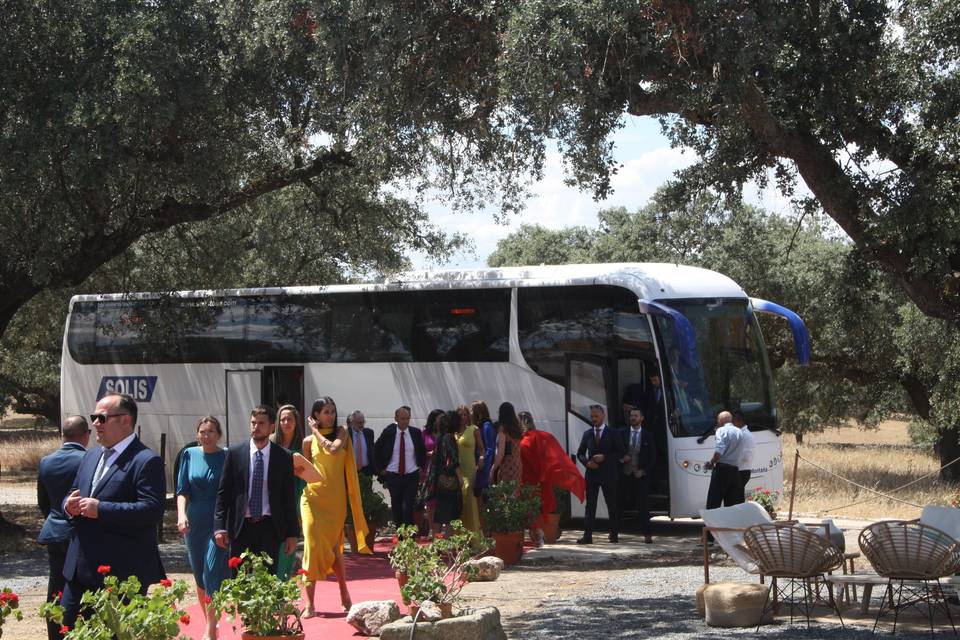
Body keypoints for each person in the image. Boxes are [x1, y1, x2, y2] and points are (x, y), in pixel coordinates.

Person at [61, 393, 166, 630]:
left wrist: (102, 509)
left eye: (102, 418)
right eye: (94, 417)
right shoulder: (90, 455)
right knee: (67, 629)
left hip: (119, 573)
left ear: (125, 420)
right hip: (78, 570)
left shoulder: (146, 460)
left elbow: (151, 509)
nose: (95, 423)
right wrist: (69, 504)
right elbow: (72, 493)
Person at [301, 397, 370, 617]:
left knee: (334, 549)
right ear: (316, 414)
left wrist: (315, 431)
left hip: (335, 501)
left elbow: (332, 449)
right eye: (325, 412)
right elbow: (305, 470)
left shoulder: (342, 431)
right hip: (312, 498)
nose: (329, 415)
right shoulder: (306, 442)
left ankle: (344, 592)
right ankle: (310, 603)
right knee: (311, 545)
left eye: (332, 411)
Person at [213, 405, 298, 575]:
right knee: (240, 582)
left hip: (270, 527)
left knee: (267, 581)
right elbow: (223, 493)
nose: (256, 427)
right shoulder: (235, 453)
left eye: (261, 423)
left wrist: (292, 534)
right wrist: (219, 527)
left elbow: (288, 497)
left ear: (272, 426)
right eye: (253, 423)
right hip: (241, 527)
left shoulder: (283, 457)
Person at [37, 415, 89, 640]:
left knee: (56, 589)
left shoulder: (46, 461)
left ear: (62, 435)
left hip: (54, 531)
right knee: (81, 590)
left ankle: (55, 635)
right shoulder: (88, 459)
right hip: (80, 534)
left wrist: (56, 518)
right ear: (86, 435)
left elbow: (43, 502)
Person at [177, 416, 228, 640]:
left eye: (210, 432)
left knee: (212, 572)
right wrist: (181, 515)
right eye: (202, 432)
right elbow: (182, 490)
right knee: (199, 576)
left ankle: (210, 629)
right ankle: (210, 623)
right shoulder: (189, 455)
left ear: (219, 434)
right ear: (197, 434)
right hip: (194, 520)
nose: (206, 436)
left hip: (218, 521)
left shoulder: (227, 456)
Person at [518, 411, 585, 547]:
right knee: (538, 510)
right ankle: (538, 536)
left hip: (527, 479)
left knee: (529, 511)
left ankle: (536, 537)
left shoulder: (523, 440)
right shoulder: (542, 436)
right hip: (540, 480)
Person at [575, 404, 625, 544]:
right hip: (592, 475)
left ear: (603, 416)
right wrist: (586, 463)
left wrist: (605, 457)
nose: (594, 419)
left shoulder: (613, 433)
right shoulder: (587, 434)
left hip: (609, 475)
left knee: (612, 505)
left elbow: (620, 452)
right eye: (592, 417)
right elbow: (580, 453)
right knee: (590, 506)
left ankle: (614, 535)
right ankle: (588, 535)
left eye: (596, 416)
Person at [270, 404, 306, 580]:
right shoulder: (270, 442)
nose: (285, 422)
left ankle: (283, 584)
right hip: (272, 498)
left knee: (289, 543)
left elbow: (312, 473)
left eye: (289, 419)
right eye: (282, 419)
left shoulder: (304, 444)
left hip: (296, 496)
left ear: (295, 421)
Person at [375, 406, 426, 529]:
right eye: (402, 418)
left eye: (407, 418)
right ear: (396, 418)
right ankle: (400, 535)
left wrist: (421, 467)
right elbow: (376, 449)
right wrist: (381, 469)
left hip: (411, 475)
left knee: (408, 506)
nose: (405, 421)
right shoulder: (389, 433)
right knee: (396, 506)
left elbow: (421, 451)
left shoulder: (415, 433)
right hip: (393, 475)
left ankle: (409, 536)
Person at [619, 408, 656, 543]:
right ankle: (614, 533)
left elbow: (652, 457)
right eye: (631, 416)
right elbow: (616, 451)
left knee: (643, 506)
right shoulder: (622, 433)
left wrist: (644, 471)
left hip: (640, 475)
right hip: (625, 474)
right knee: (619, 503)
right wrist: (622, 458)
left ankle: (647, 534)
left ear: (642, 418)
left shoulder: (648, 436)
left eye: (636, 416)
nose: (633, 418)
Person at [428, 411, 462, 536]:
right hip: (450, 480)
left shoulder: (441, 437)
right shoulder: (449, 437)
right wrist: (460, 477)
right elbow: (453, 459)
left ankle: (437, 541)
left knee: (439, 514)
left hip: (440, 480)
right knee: (450, 515)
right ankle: (447, 542)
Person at [704, 410, 745, 510]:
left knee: (713, 504)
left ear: (720, 420)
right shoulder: (739, 431)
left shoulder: (721, 431)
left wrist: (711, 463)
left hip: (722, 471)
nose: (717, 422)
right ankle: (729, 525)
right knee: (731, 506)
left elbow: (719, 451)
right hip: (735, 471)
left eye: (717, 420)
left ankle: (712, 525)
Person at [452, 405, 483, 532]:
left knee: (469, 502)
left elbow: (482, 448)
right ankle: (458, 536)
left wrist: (481, 458)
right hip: (456, 470)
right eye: (460, 415)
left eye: (465, 414)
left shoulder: (474, 429)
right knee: (458, 503)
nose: (462, 417)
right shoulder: (452, 432)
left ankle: (474, 536)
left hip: (470, 469)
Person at [421, 409, 444, 534]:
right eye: (438, 419)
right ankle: (432, 530)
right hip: (429, 471)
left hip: (443, 471)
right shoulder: (425, 433)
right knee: (430, 502)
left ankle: (439, 532)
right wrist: (430, 453)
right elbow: (418, 452)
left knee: (441, 503)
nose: (440, 421)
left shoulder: (446, 433)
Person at [490, 402, 523, 485]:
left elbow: (500, 453)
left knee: (505, 494)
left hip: (507, 466)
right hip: (517, 465)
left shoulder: (503, 430)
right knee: (514, 494)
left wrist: (493, 468)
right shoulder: (517, 429)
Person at [472, 401, 496, 497]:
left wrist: (484, 463)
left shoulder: (486, 426)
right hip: (477, 465)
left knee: (482, 494)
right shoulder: (478, 426)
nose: (471, 412)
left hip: (483, 467)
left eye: (472, 410)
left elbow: (490, 448)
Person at [347, 410, 377, 476]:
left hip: (367, 471)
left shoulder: (369, 433)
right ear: (352, 422)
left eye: (363, 422)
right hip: (351, 471)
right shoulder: (346, 434)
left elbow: (372, 451)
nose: (362, 425)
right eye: (359, 423)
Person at [733, 411, 756, 492]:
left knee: (737, 498)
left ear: (741, 421)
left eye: (734, 422)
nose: (733, 425)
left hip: (742, 471)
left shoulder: (744, 435)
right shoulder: (741, 434)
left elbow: (746, 456)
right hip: (740, 471)